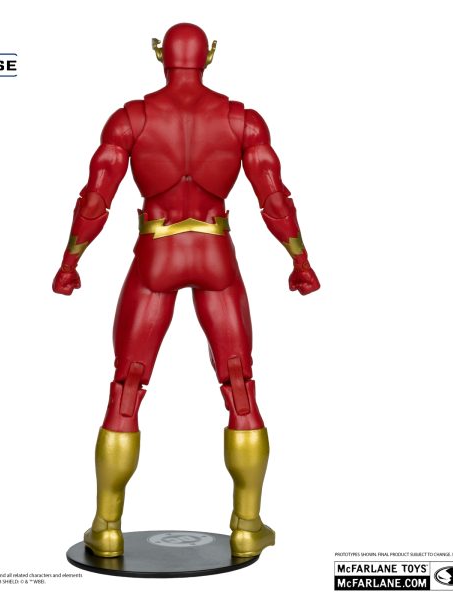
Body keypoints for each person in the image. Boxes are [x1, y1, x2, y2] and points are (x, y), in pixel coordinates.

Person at [53, 23, 320, 559]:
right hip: (215, 253)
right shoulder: (240, 119)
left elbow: (96, 197)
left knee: (126, 389)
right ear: (209, 56)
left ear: (161, 55)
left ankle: (107, 527)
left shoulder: (132, 118)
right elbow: (274, 197)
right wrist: (300, 261)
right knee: (240, 387)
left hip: (157, 253)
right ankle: (247, 524)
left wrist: (70, 262)